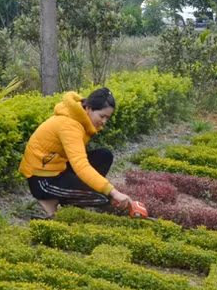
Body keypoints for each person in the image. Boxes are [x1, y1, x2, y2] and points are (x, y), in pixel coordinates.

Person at [20, 87, 134, 218]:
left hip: (58, 168)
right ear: (89, 108)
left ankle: (67, 199)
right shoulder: (70, 125)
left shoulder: (79, 119)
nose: (103, 122)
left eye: (107, 118)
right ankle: (50, 200)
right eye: (102, 116)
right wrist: (114, 192)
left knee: (104, 155)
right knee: (101, 198)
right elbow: (80, 165)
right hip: (43, 180)